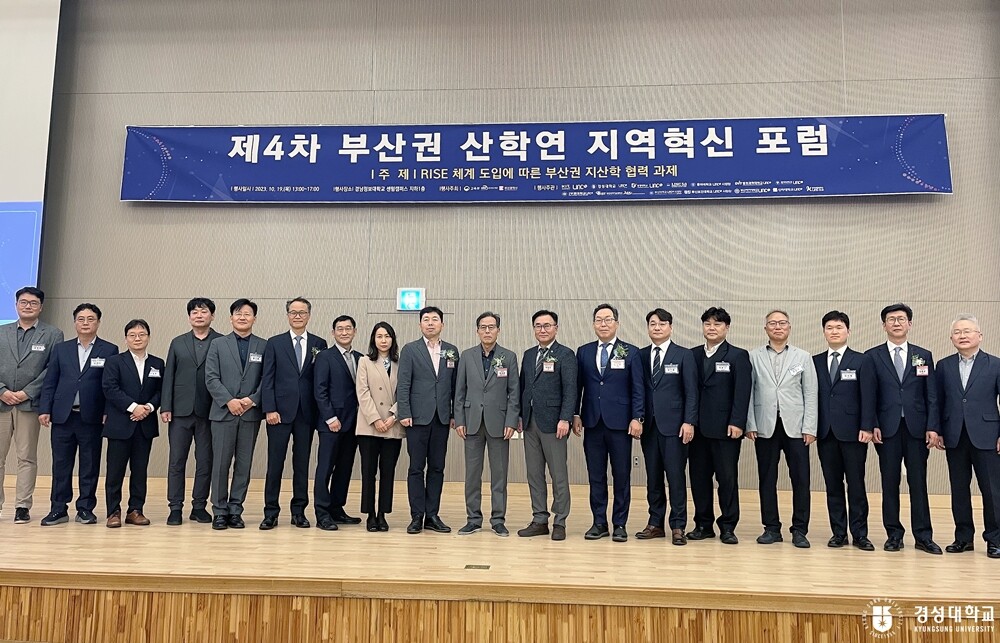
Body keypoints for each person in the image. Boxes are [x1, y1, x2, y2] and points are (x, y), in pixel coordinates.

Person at [865, 303, 943, 554]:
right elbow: (869, 395)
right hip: (886, 429)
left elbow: (931, 395)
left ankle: (923, 536)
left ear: (910, 324)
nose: (896, 323)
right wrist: (872, 424)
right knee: (889, 482)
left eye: (901, 319)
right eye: (891, 319)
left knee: (918, 482)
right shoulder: (872, 356)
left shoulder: (923, 355)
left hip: (917, 429)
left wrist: (933, 426)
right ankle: (894, 534)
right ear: (884, 325)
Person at [37, 304, 118, 525]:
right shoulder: (61, 349)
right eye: (81, 319)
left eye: (90, 319)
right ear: (74, 322)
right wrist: (45, 409)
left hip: (92, 417)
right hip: (62, 416)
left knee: (89, 465)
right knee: (60, 465)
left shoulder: (109, 350)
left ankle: (85, 509)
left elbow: (110, 385)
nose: (85, 323)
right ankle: (58, 508)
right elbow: (50, 381)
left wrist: (107, 411)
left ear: (98, 322)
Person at [746, 310, 818, 548]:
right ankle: (771, 528)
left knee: (801, 479)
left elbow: (810, 393)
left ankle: (800, 530)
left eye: (782, 323)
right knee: (767, 478)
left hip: (796, 427)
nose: (777, 327)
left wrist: (810, 426)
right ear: (765, 328)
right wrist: (750, 423)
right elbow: (748, 392)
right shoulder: (753, 356)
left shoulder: (803, 356)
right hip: (764, 425)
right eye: (772, 323)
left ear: (789, 327)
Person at [573, 304, 644, 543]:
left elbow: (637, 389)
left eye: (608, 319)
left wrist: (637, 417)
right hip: (592, 422)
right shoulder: (584, 351)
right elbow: (578, 387)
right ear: (593, 324)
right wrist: (575, 414)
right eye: (599, 320)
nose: (603, 324)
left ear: (617, 323)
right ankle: (599, 522)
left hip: (620, 424)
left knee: (621, 475)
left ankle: (620, 523)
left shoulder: (631, 352)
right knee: (596, 475)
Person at [935, 314, 1000, 559]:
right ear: (951, 338)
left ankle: (995, 539)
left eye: (967, 331)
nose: (962, 336)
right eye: (957, 332)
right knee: (959, 489)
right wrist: (938, 430)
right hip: (954, 436)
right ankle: (963, 538)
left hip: (987, 436)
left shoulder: (995, 364)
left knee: (992, 491)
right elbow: (937, 401)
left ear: (979, 336)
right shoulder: (943, 366)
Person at [260, 298, 328, 530]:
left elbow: (321, 379)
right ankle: (271, 512)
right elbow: (267, 378)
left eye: (302, 312)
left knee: (302, 464)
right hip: (278, 413)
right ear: (287, 315)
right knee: (275, 464)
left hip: (306, 413)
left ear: (309, 315)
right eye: (293, 312)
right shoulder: (274, 343)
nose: (298, 316)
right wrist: (269, 408)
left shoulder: (319, 343)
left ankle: (298, 512)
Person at [812, 311, 876, 551]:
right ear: (824, 332)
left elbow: (868, 396)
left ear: (848, 331)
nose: (834, 331)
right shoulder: (815, 361)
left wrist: (867, 426)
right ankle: (838, 533)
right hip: (825, 432)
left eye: (839, 327)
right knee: (833, 485)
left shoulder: (861, 360)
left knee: (856, 484)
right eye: (829, 327)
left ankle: (860, 534)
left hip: (854, 433)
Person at [687, 307, 751, 545]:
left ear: (727, 328)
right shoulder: (692, 355)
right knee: (699, 479)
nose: (712, 328)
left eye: (717, 324)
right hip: (697, 430)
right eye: (708, 324)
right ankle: (703, 525)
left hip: (726, 429)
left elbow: (742, 392)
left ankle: (728, 526)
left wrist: (737, 422)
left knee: (727, 480)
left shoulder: (737, 355)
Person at [0, 286, 64, 523]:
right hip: (1, 403)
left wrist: (27, 392)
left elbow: (52, 369)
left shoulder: (53, 334)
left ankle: (22, 506)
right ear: (16, 305)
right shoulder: (1, 331)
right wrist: (2, 391)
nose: (28, 306)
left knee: (26, 458)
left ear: (41, 307)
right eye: (24, 302)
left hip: (29, 404)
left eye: (33, 303)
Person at [455, 312, 520, 537]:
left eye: (491, 327)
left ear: (498, 330)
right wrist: (459, 420)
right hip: (471, 422)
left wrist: (511, 421)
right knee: (472, 475)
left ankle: (498, 520)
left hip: (499, 424)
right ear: (477, 331)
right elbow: (459, 391)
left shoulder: (509, 357)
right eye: (483, 327)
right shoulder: (466, 356)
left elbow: (514, 393)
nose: (487, 331)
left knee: (499, 475)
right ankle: (473, 519)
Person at [637, 308, 698, 546]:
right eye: (653, 324)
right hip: (649, 427)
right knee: (653, 478)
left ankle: (678, 525)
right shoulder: (641, 355)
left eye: (662, 324)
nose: (657, 327)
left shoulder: (683, 355)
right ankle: (655, 523)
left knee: (675, 477)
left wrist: (689, 421)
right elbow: (638, 390)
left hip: (675, 427)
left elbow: (691, 392)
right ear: (648, 328)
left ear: (670, 328)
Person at [396, 306, 459, 535]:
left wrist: (454, 414)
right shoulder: (410, 349)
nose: (430, 323)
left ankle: (432, 515)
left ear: (442, 324)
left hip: (441, 418)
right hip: (416, 418)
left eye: (434, 319)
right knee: (416, 468)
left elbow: (455, 387)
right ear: (420, 324)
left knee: (437, 467)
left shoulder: (451, 351)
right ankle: (417, 515)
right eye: (426, 319)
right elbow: (403, 384)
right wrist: (404, 412)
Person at [160, 297, 223, 525]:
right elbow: (169, 375)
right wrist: (166, 406)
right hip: (180, 411)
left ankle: (199, 506)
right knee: (177, 461)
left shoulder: (221, 341)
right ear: (189, 317)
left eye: (203, 311)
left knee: (205, 461)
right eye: (194, 312)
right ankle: (175, 507)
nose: (199, 315)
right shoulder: (178, 342)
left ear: (212, 316)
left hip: (210, 411)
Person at [204, 298, 266, 530]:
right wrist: (229, 400)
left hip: (250, 414)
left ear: (254, 319)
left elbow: (267, 378)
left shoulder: (263, 346)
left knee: (243, 465)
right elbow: (211, 377)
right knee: (220, 464)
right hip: (223, 413)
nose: (242, 317)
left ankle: (235, 510)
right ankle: (219, 511)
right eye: (238, 313)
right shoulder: (217, 344)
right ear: (231, 318)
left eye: (247, 314)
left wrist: (252, 400)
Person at [517, 309, 577, 542]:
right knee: (534, 474)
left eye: (547, 325)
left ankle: (560, 521)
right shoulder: (529, 354)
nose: (542, 330)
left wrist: (565, 418)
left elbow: (570, 389)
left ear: (556, 328)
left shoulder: (565, 354)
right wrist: (520, 416)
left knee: (558, 474)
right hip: (530, 422)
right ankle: (540, 519)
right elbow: (524, 387)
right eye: (538, 326)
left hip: (554, 423)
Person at [101, 319, 164, 528]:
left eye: (142, 334)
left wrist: (148, 408)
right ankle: (113, 512)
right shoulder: (115, 361)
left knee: (140, 471)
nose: (137, 338)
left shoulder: (157, 363)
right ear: (126, 338)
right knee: (115, 471)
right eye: (132, 335)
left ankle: (135, 510)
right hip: (120, 424)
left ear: (149, 337)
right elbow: (110, 388)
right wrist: (133, 407)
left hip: (145, 425)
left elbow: (161, 391)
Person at [313, 315, 362, 531]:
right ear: (333, 333)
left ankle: (337, 508)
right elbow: (319, 390)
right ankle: (322, 513)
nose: (344, 332)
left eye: (348, 328)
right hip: (331, 423)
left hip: (354, 423)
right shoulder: (325, 356)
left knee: (344, 468)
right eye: (340, 329)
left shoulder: (361, 358)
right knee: (325, 468)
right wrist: (330, 417)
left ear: (354, 332)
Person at [355, 322, 405, 532]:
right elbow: (362, 392)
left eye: (387, 336)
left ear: (393, 339)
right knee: (368, 472)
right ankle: (370, 514)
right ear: (373, 339)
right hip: (369, 425)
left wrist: (393, 416)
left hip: (392, 425)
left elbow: (405, 391)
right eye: (379, 336)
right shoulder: (364, 361)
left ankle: (383, 514)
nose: (383, 340)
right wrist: (375, 419)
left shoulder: (401, 363)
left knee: (387, 471)